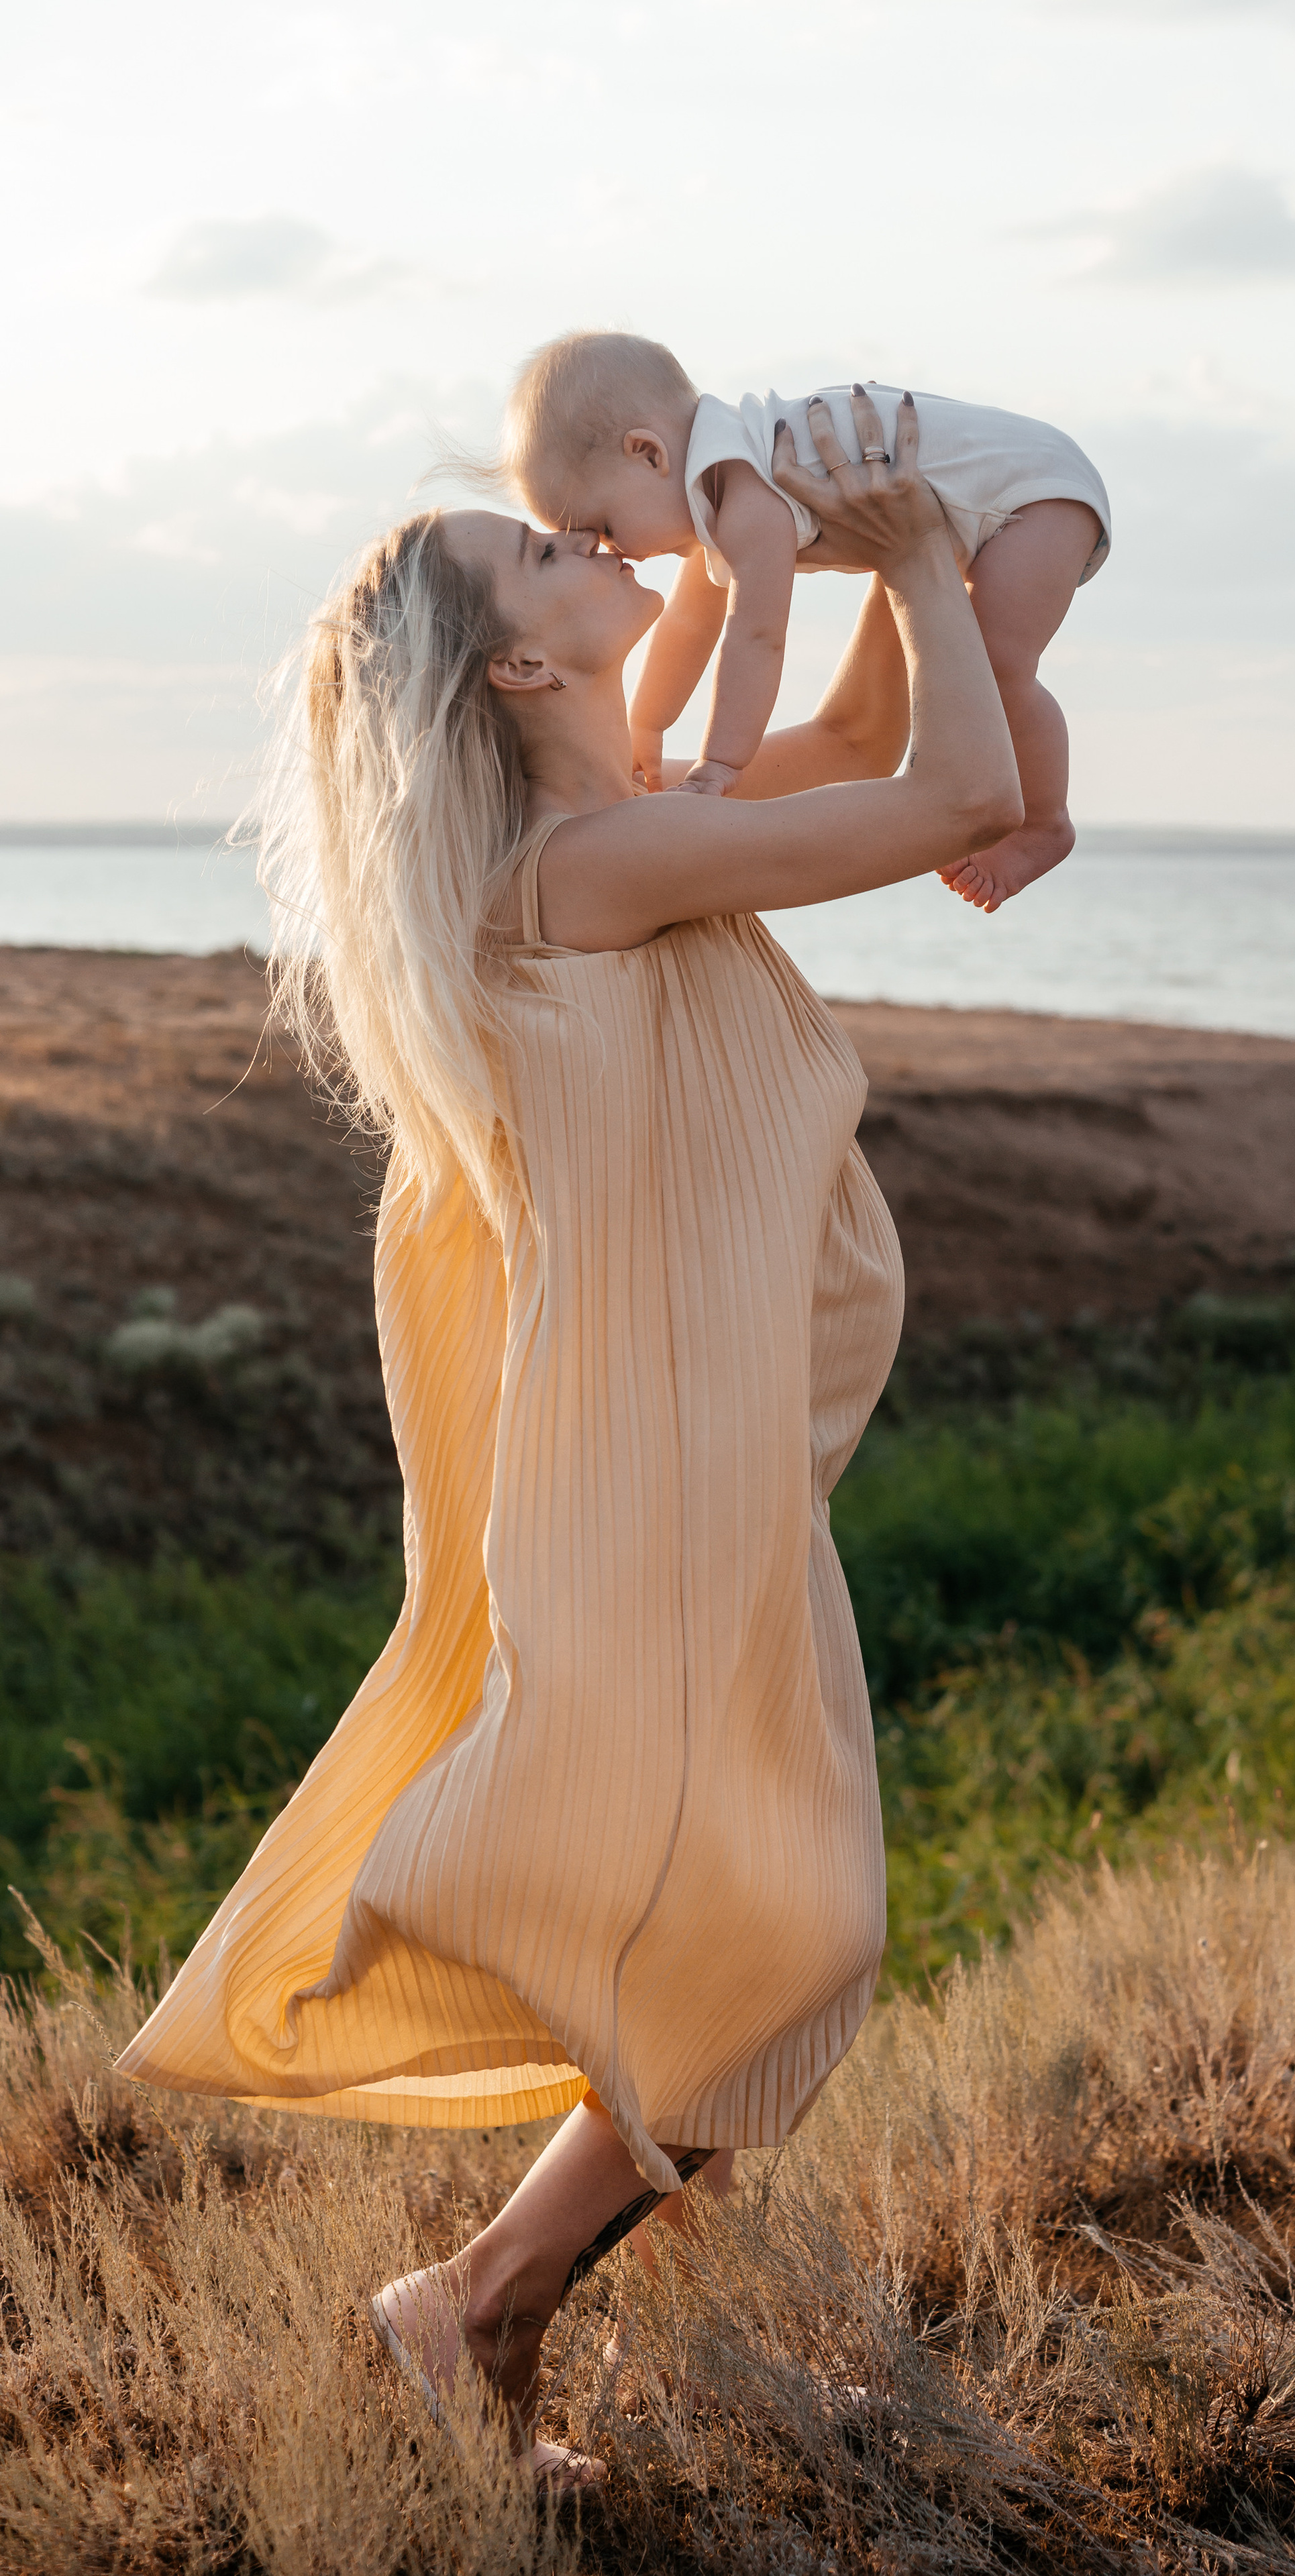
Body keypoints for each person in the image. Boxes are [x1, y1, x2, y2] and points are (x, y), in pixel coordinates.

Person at [113, 392, 1023, 2487]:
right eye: (540, 557)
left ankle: (472, 2314)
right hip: (651, 1495)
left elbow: (882, 720)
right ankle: (473, 2302)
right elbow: (957, 779)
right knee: (776, 1939)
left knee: (756, 1947)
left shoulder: (654, 814)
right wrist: (899, 550)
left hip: (692, 1474)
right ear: (525, 664)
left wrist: (843, 537)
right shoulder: (599, 867)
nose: (580, 543)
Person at [500, 331, 1108, 912]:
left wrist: (720, 766)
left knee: (998, 666)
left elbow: (758, 635)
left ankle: (1045, 821)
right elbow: (692, 624)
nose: (610, 551)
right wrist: (648, 731)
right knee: (988, 663)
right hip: (1009, 494)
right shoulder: (724, 478)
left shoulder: (745, 493)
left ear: (649, 453)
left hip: (1038, 497)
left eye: (603, 526)